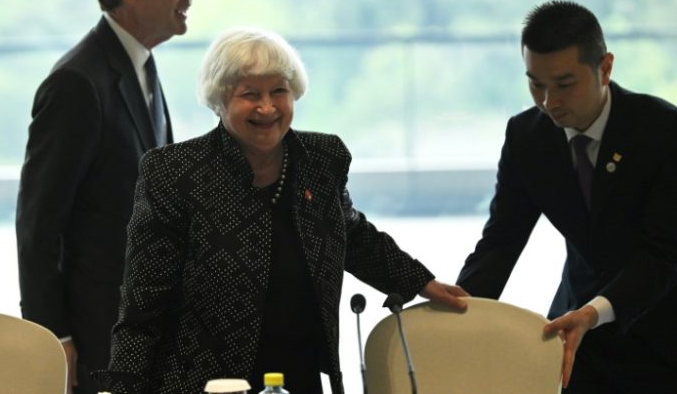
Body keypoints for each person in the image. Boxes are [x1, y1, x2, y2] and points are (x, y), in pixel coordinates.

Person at [96, 27, 468, 394]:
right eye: (250, 94)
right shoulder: (175, 172)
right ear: (220, 99)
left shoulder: (322, 160)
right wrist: (125, 387)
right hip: (205, 382)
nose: (267, 107)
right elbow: (144, 300)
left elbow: (351, 233)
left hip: (298, 372)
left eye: (279, 91)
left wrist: (421, 282)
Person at [457, 0, 677, 392]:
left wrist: (596, 312)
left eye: (564, 84)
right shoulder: (528, 137)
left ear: (605, 68)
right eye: (535, 83)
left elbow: (663, 252)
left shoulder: (663, 131)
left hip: (661, 326)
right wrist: (459, 313)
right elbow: (501, 241)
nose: (548, 102)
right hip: (576, 333)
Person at [16, 0, 198, 394]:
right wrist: (53, 337)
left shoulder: (143, 66)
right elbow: (39, 225)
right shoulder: (78, 84)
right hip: (97, 342)